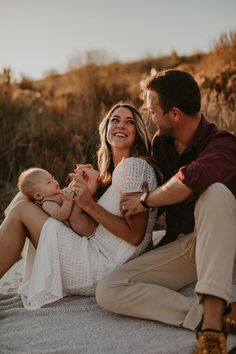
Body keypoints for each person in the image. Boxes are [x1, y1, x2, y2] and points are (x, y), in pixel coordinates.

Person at [96, 70, 236, 353]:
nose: (148, 116)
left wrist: (146, 200)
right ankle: (214, 315)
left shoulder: (223, 144)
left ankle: (211, 329)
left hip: (224, 244)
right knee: (108, 289)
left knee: (215, 192)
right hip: (187, 245)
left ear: (174, 114)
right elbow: (136, 174)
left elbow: (188, 180)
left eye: (151, 110)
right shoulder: (161, 143)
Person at [0, 102, 160, 310]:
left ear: (138, 133)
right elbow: (88, 230)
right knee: (25, 195)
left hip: (102, 267)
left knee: (22, 210)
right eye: (115, 120)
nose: (121, 125)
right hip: (93, 254)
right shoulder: (115, 173)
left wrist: (89, 203)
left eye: (129, 122)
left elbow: (135, 236)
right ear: (106, 129)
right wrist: (86, 194)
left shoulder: (133, 167)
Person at [17, 166, 98, 237]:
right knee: (75, 211)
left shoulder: (55, 192)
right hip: (80, 228)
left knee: (78, 191)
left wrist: (75, 181)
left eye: (52, 178)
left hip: (86, 217)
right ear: (39, 196)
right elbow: (60, 215)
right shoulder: (47, 203)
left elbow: (68, 192)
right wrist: (68, 201)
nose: (54, 181)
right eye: (49, 182)